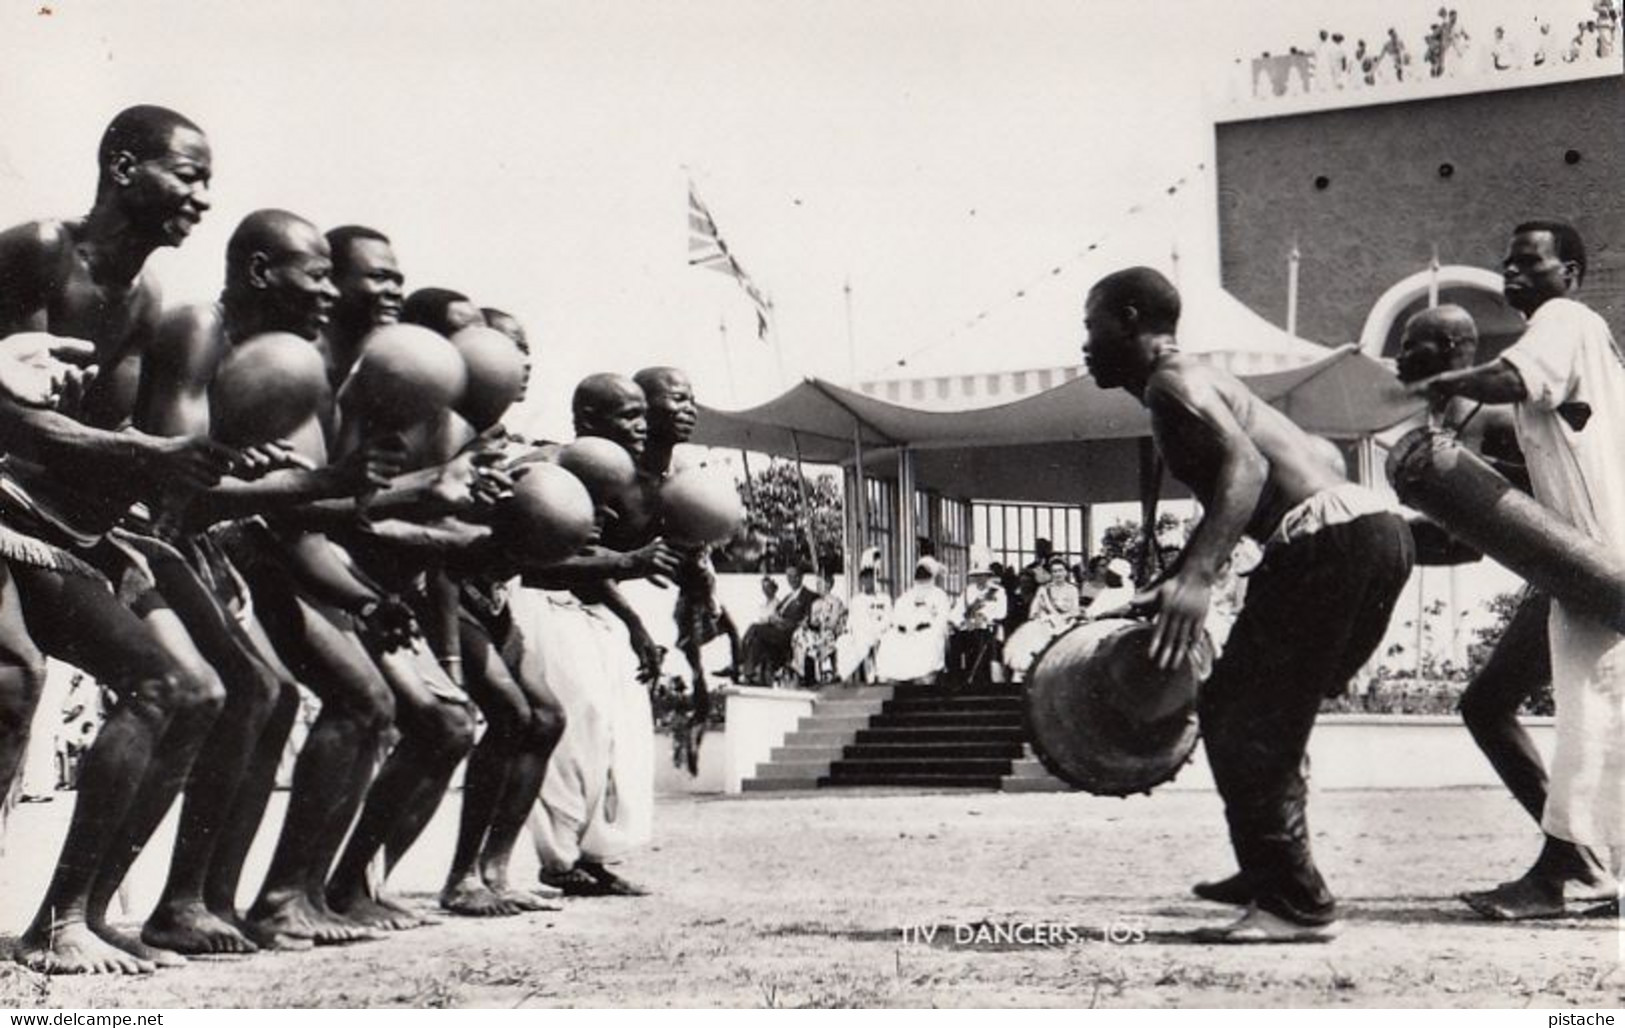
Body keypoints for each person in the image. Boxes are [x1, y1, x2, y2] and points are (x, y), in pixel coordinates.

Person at [0, 106, 264, 975]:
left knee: (190, 691)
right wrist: (155, 455)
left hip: (59, 525)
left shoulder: (149, 302)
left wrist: (228, 465)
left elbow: (140, 448)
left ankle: (74, 915)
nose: (202, 195)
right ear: (122, 167)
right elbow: (18, 422)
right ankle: (55, 924)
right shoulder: (40, 247)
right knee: (16, 681)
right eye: (186, 173)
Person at [1084, 266, 1412, 942]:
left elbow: (1249, 468)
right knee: (1254, 708)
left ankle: (1294, 903)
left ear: (1131, 318)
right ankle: (1269, 866)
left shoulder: (1171, 384)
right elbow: (1318, 457)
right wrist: (1177, 575)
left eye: (1091, 328)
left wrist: (1199, 576)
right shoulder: (1210, 380)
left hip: (1329, 544)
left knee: (1245, 714)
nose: (1084, 347)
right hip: (1371, 534)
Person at [132, 210, 400, 956]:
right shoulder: (198, 329)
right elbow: (174, 493)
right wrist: (318, 481)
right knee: (251, 692)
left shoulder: (276, 359)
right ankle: (180, 902)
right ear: (259, 272)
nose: (326, 291)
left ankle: (214, 900)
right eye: (314, 275)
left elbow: (283, 497)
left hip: (211, 547)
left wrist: (318, 486)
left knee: (271, 696)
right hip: (156, 543)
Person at [1416, 221, 1625, 918]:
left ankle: (1571, 871)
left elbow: (1511, 377)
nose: (1510, 271)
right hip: (1570, 561)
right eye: (1505, 261)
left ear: (1569, 272)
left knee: (1590, 709)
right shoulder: (1568, 345)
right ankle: (1577, 856)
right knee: (1490, 702)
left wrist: (1442, 382)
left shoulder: (1563, 320)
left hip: (1599, 559)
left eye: (1528, 262)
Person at [321, 225, 405, 389]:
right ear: (331, 281)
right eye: (379, 277)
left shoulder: (393, 372)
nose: (396, 292)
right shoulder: (292, 365)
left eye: (398, 282)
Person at [873, 557, 954, 685]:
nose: (922, 577)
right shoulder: (906, 596)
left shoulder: (939, 595)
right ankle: (892, 676)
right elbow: (896, 618)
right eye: (920, 574)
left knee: (929, 640)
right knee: (889, 639)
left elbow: (942, 621)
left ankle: (923, 676)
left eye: (925, 574)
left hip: (927, 632)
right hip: (905, 634)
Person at [1002, 555, 1081, 683]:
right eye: (1054, 571)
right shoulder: (1043, 590)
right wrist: (1046, 618)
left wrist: (1063, 618)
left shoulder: (1072, 589)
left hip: (1067, 622)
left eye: (1061, 570)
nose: (1058, 574)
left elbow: (1075, 610)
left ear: (1066, 572)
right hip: (1046, 623)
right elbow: (1033, 611)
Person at [738, 563, 818, 686]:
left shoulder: (809, 596)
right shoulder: (788, 597)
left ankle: (738, 663)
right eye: (788, 576)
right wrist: (773, 619)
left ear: (801, 577)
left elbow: (806, 620)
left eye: (794, 576)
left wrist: (783, 622)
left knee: (754, 628)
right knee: (756, 640)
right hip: (776, 631)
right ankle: (749, 674)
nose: (791, 580)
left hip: (789, 634)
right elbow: (777, 612)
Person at [947, 562, 1006, 689]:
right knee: (955, 641)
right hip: (969, 628)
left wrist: (986, 617)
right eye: (977, 575)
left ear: (988, 576)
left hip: (989, 630)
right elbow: (958, 611)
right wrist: (956, 622)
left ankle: (984, 681)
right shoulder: (968, 591)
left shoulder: (998, 591)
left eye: (983, 575)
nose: (980, 578)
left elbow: (1002, 612)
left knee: (982, 639)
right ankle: (958, 680)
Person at [835, 557, 892, 682]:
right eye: (865, 578)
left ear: (875, 579)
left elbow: (888, 619)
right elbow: (851, 622)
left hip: (880, 633)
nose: (867, 581)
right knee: (844, 642)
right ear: (861, 580)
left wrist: (879, 632)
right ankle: (846, 675)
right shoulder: (856, 600)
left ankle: (877, 675)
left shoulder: (884, 598)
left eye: (870, 577)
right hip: (862, 635)